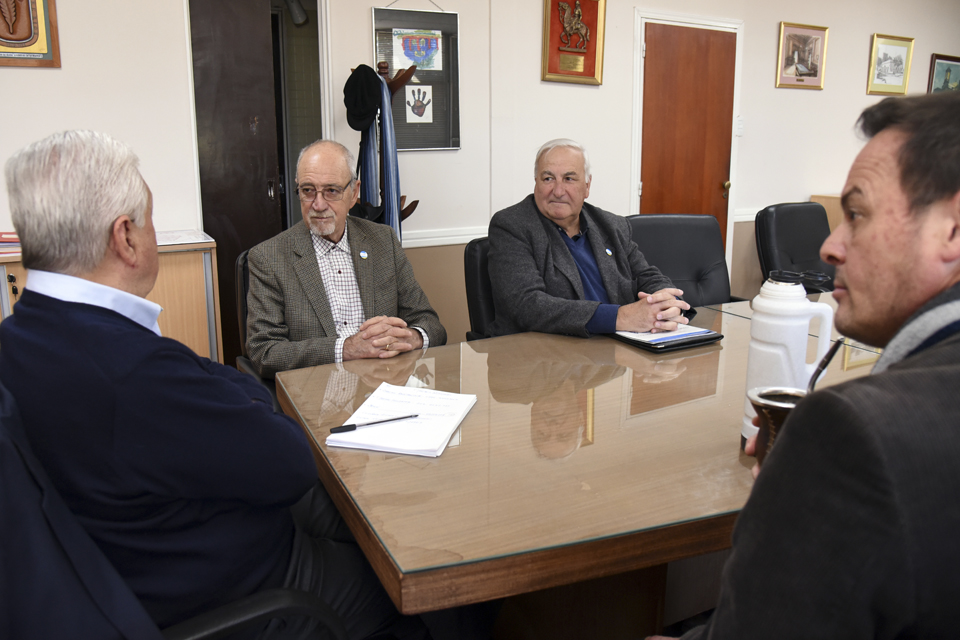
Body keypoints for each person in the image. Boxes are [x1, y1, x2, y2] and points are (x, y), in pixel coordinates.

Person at [0, 131, 430, 640]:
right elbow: (289, 461)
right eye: (150, 218)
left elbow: (219, 385)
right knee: (418, 580)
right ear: (126, 237)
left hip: (147, 566)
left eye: (332, 190)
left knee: (378, 522)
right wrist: (247, 395)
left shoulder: (22, 338)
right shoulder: (131, 371)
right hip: (251, 587)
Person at [651, 91, 960, 639]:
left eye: (857, 215)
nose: (829, 247)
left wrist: (787, 509)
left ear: (952, 229)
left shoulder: (850, 433)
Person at [246, 140, 445, 377]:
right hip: (316, 393)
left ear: (353, 193)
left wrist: (411, 338)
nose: (318, 205)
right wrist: (346, 348)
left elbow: (431, 324)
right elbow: (264, 352)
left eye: (331, 190)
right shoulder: (268, 258)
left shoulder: (383, 241)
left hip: (385, 386)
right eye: (308, 190)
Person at [486, 138, 690, 338]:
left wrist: (667, 304)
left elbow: (647, 276)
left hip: (617, 354)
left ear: (587, 186)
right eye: (548, 178)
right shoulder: (511, 225)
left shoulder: (612, 225)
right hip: (545, 357)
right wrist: (620, 317)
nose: (558, 191)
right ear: (536, 183)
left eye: (569, 178)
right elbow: (527, 305)